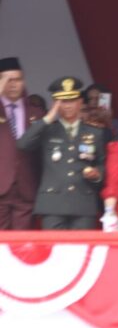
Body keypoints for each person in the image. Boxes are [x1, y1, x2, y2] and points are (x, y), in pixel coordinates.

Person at [17, 76, 106, 230]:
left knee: (82, 245)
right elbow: (23, 144)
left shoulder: (95, 132)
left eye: (72, 100)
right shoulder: (47, 129)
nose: (68, 105)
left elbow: (102, 164)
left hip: (83, 203)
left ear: (80, 102)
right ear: (55, 103)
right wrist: (47, 118)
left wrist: (97, 174)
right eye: (63, 101)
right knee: (54, 245)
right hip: (53, 203)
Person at [0, 58, 45, 230]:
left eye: (17, 79)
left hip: (27, 188)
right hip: (1, 187)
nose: (13, 85)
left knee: (23, 242)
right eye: (8, 80)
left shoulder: (37, 113)